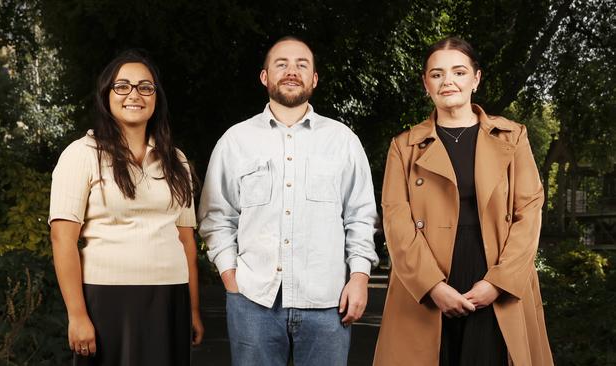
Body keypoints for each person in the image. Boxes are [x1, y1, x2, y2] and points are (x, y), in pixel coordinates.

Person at [198, 36, 379, 366]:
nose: (291, 71)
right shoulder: (235, 141)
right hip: (253, 301)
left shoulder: (343, 141)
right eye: (281, 64)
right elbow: (215, 217)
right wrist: (230, 276)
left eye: (302, 64)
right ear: (265, 77)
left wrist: (359, 277)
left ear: (314, 79)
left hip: (329, 303)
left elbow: (361, 216)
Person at [373, 37, 553, 366]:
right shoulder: (404, 146)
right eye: (437, 74)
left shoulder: (513, 137)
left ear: (476, 78)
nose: (448, 82)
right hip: (427, 279)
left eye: (458, 72)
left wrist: (498, 282)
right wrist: (432, 286)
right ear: (425, 83)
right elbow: (395, 220)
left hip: (495, 274)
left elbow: (528, 213)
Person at [49, 49, 203, 365]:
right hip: (107, 298)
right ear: (106, 95)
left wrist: (194, 309)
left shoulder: (177, 161)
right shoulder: (82, 154)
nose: (134, 94)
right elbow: (63, 239)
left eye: (145, 87)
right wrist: (77, 315)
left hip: (170, 297)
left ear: (156, 97)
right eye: (122, 86)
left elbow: (186, 241)